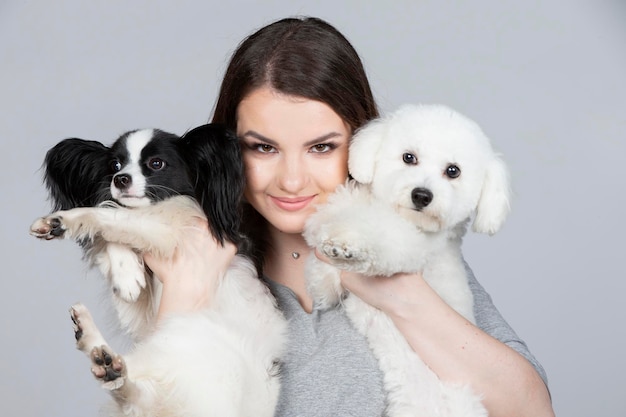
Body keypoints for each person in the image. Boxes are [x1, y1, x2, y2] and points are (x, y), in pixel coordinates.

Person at [145, 16, 555, 417]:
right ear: (229, 150)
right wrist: (185, 293)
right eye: (263, 148)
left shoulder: (419, 248)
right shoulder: (196, 265)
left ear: (361, 143)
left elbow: (530, 408)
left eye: (321, 148)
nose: (291, 180)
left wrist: (404, 295)